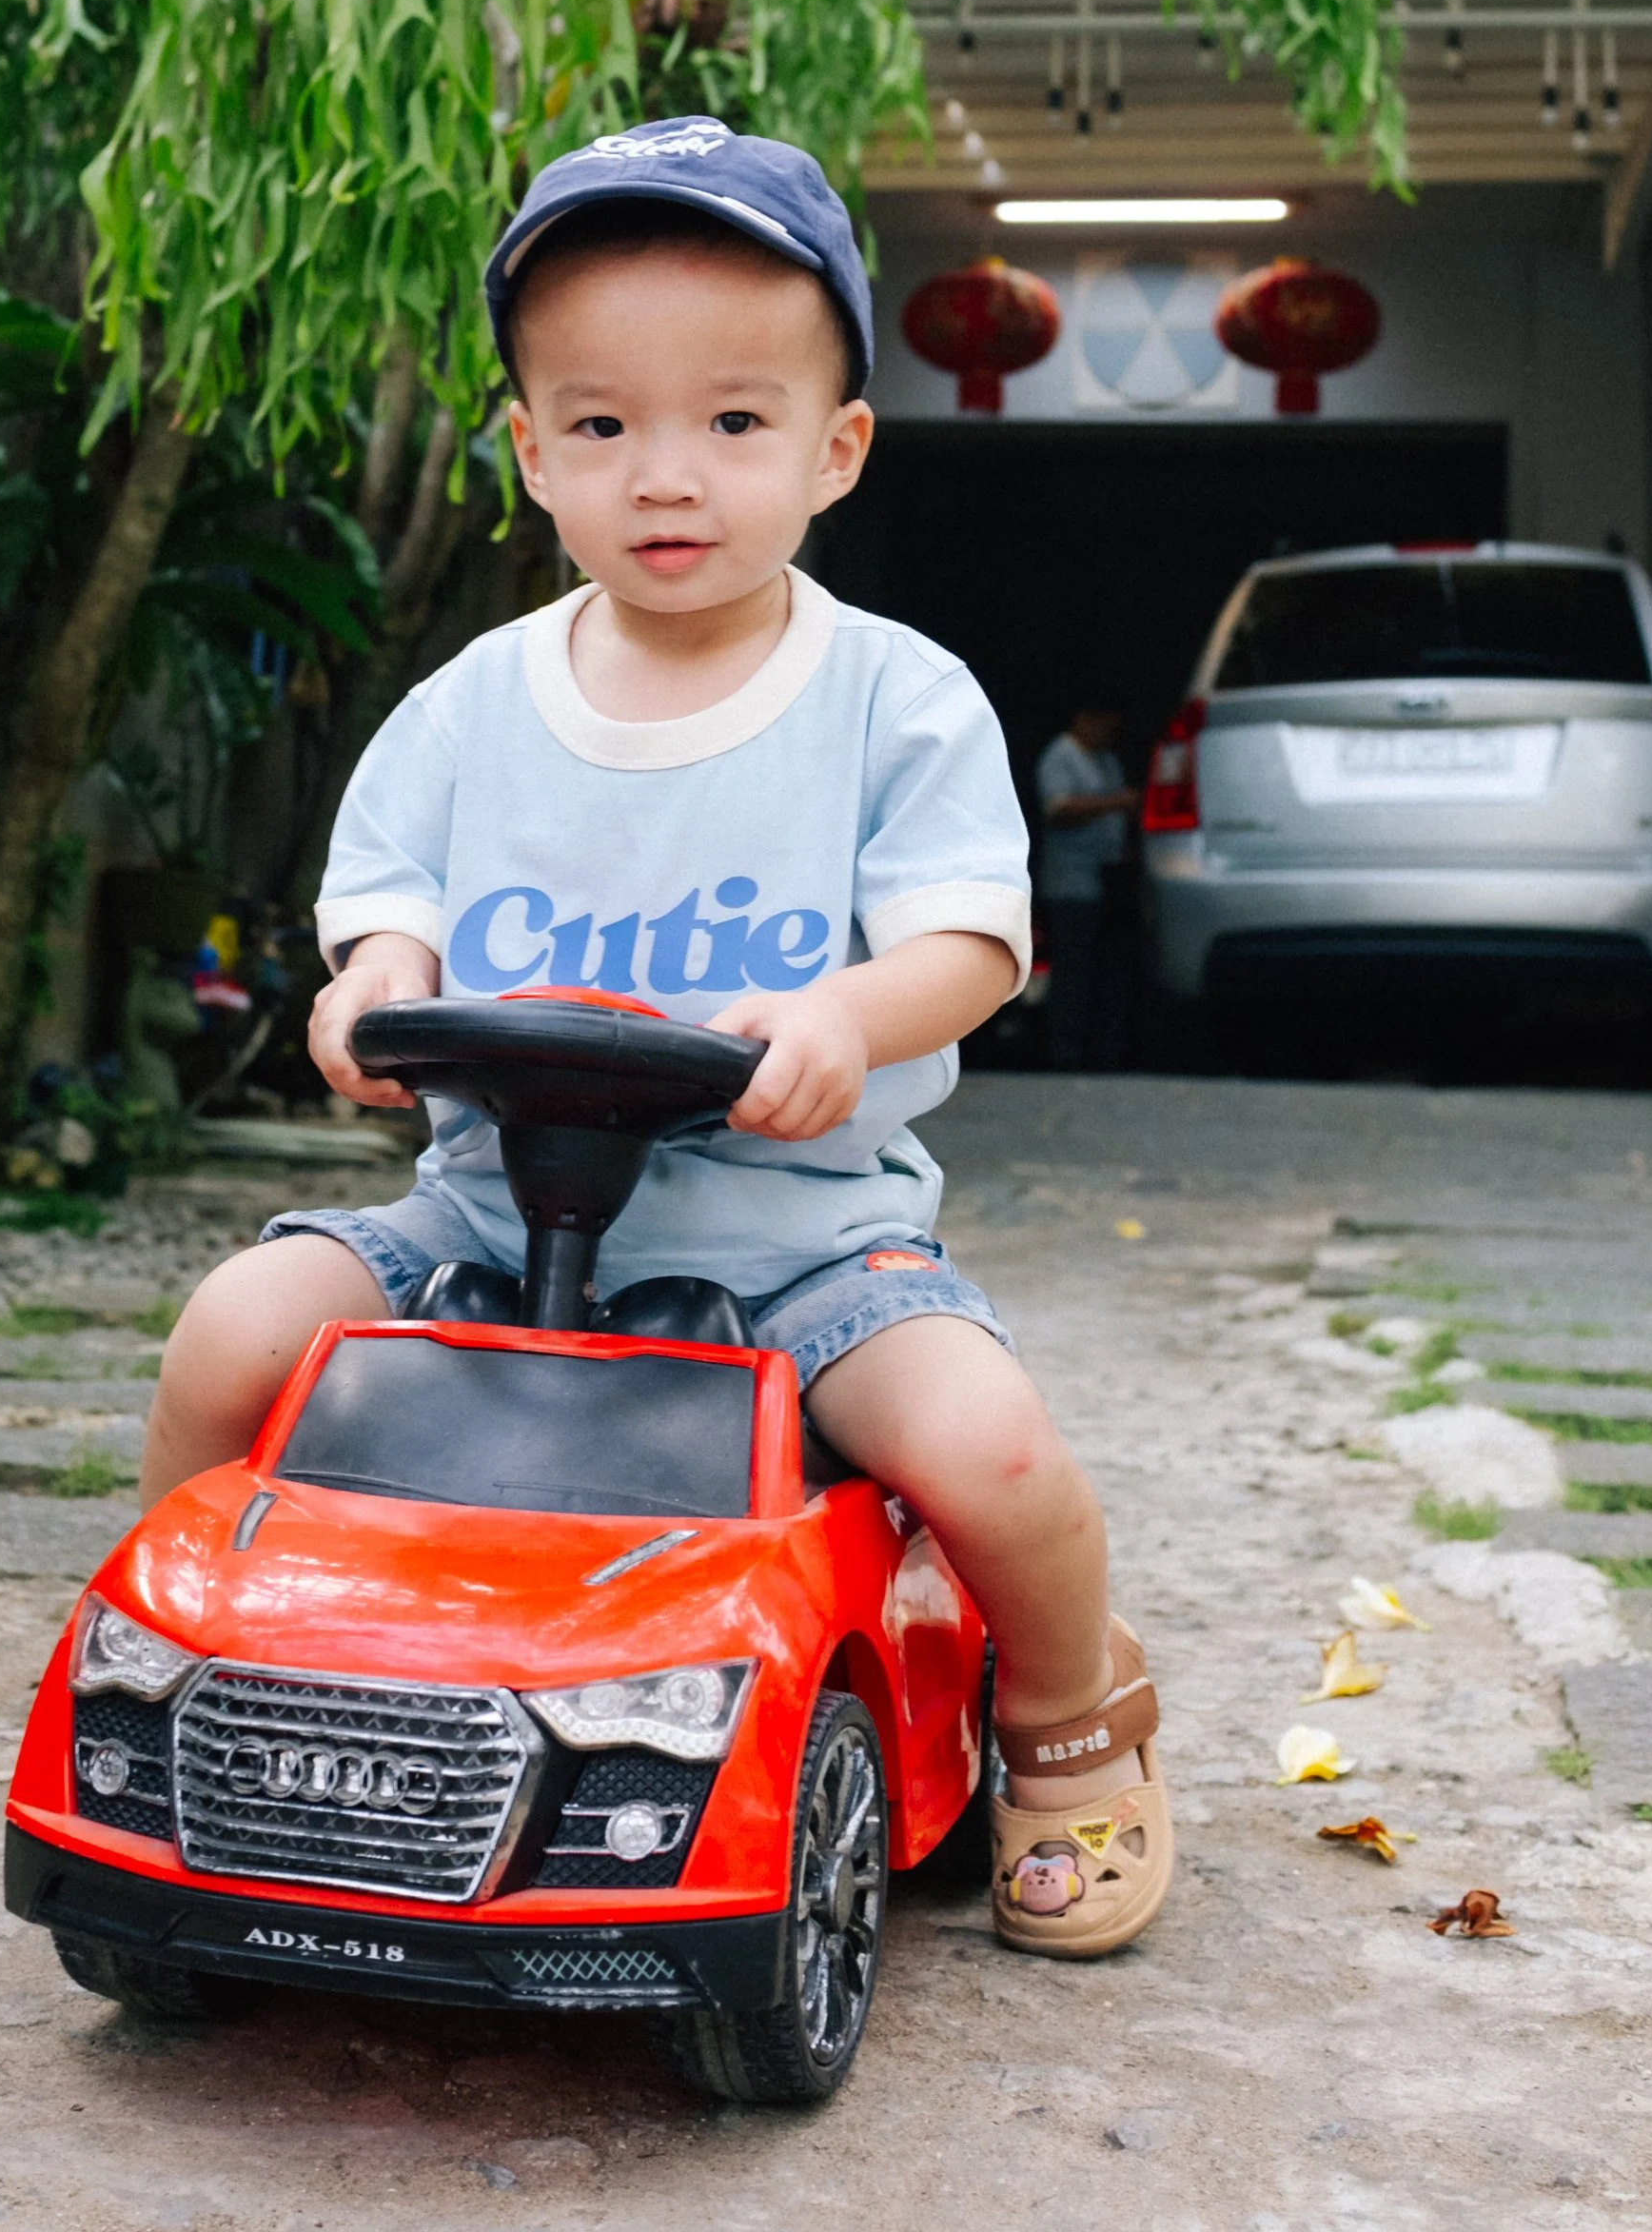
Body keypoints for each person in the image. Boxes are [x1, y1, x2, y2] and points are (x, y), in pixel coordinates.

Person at [139, 119, 1171, 1959]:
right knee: (235, 1328)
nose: (664, 477)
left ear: (836, 448)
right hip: (476, 1222)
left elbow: (973, 941)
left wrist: (851, 1013)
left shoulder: (889, 697)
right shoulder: (474, 707)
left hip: (797, 1248)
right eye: (603, 425)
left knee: (993, 1448)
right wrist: (371, 990)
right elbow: (389, 912)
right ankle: (194, 1673)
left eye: (735, 423)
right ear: (533, 453)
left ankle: (1070, 1720)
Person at [1035, 703, 1139, 1074]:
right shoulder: (1062, 755)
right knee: (1072, 971)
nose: (1108, 734)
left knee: (1108, 969)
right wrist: (1116, 803)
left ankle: (1105, 1051)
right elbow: (1058, 809)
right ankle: (1065, 1053)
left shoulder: (1106, 759)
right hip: (1070, 883)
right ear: (1083, 718)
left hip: (1108, 880)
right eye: (1103, 725)